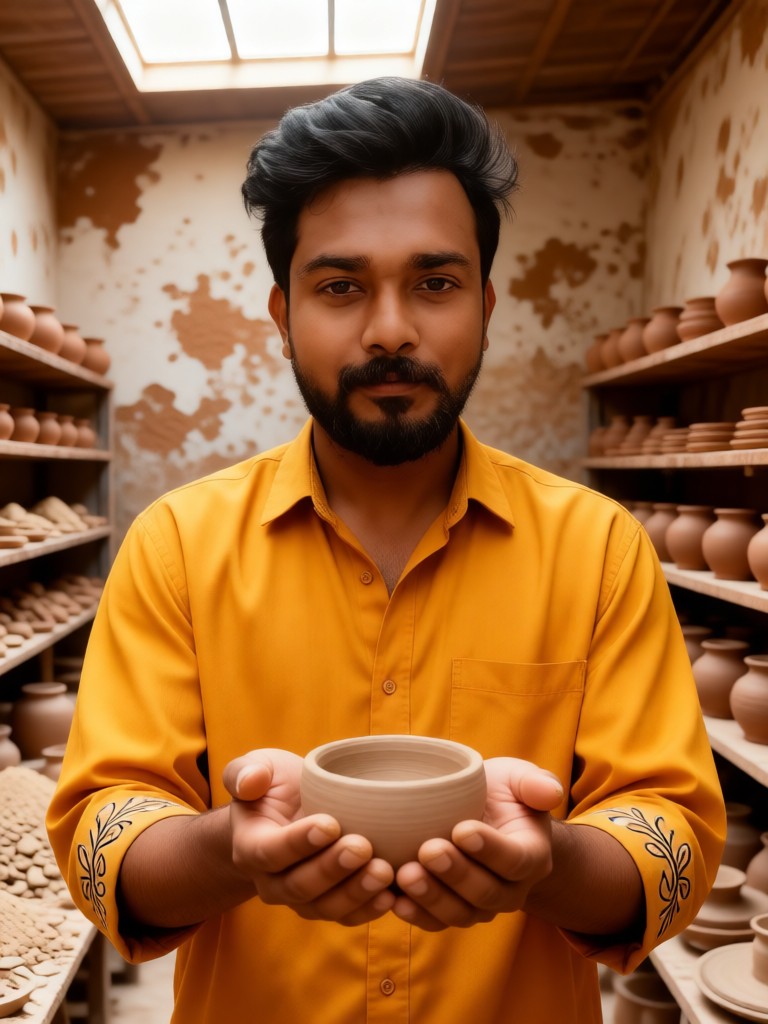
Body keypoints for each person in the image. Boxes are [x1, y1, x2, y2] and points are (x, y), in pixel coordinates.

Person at [47, 77, 725, 1023]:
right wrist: (231, 849)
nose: (391, 328)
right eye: (341, 287)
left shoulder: (597, 548)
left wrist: (548, 862)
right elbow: (102, 832)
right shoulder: (178, 548)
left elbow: (674, 838)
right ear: (283, 314)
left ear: (487, 305)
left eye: (435, 283)